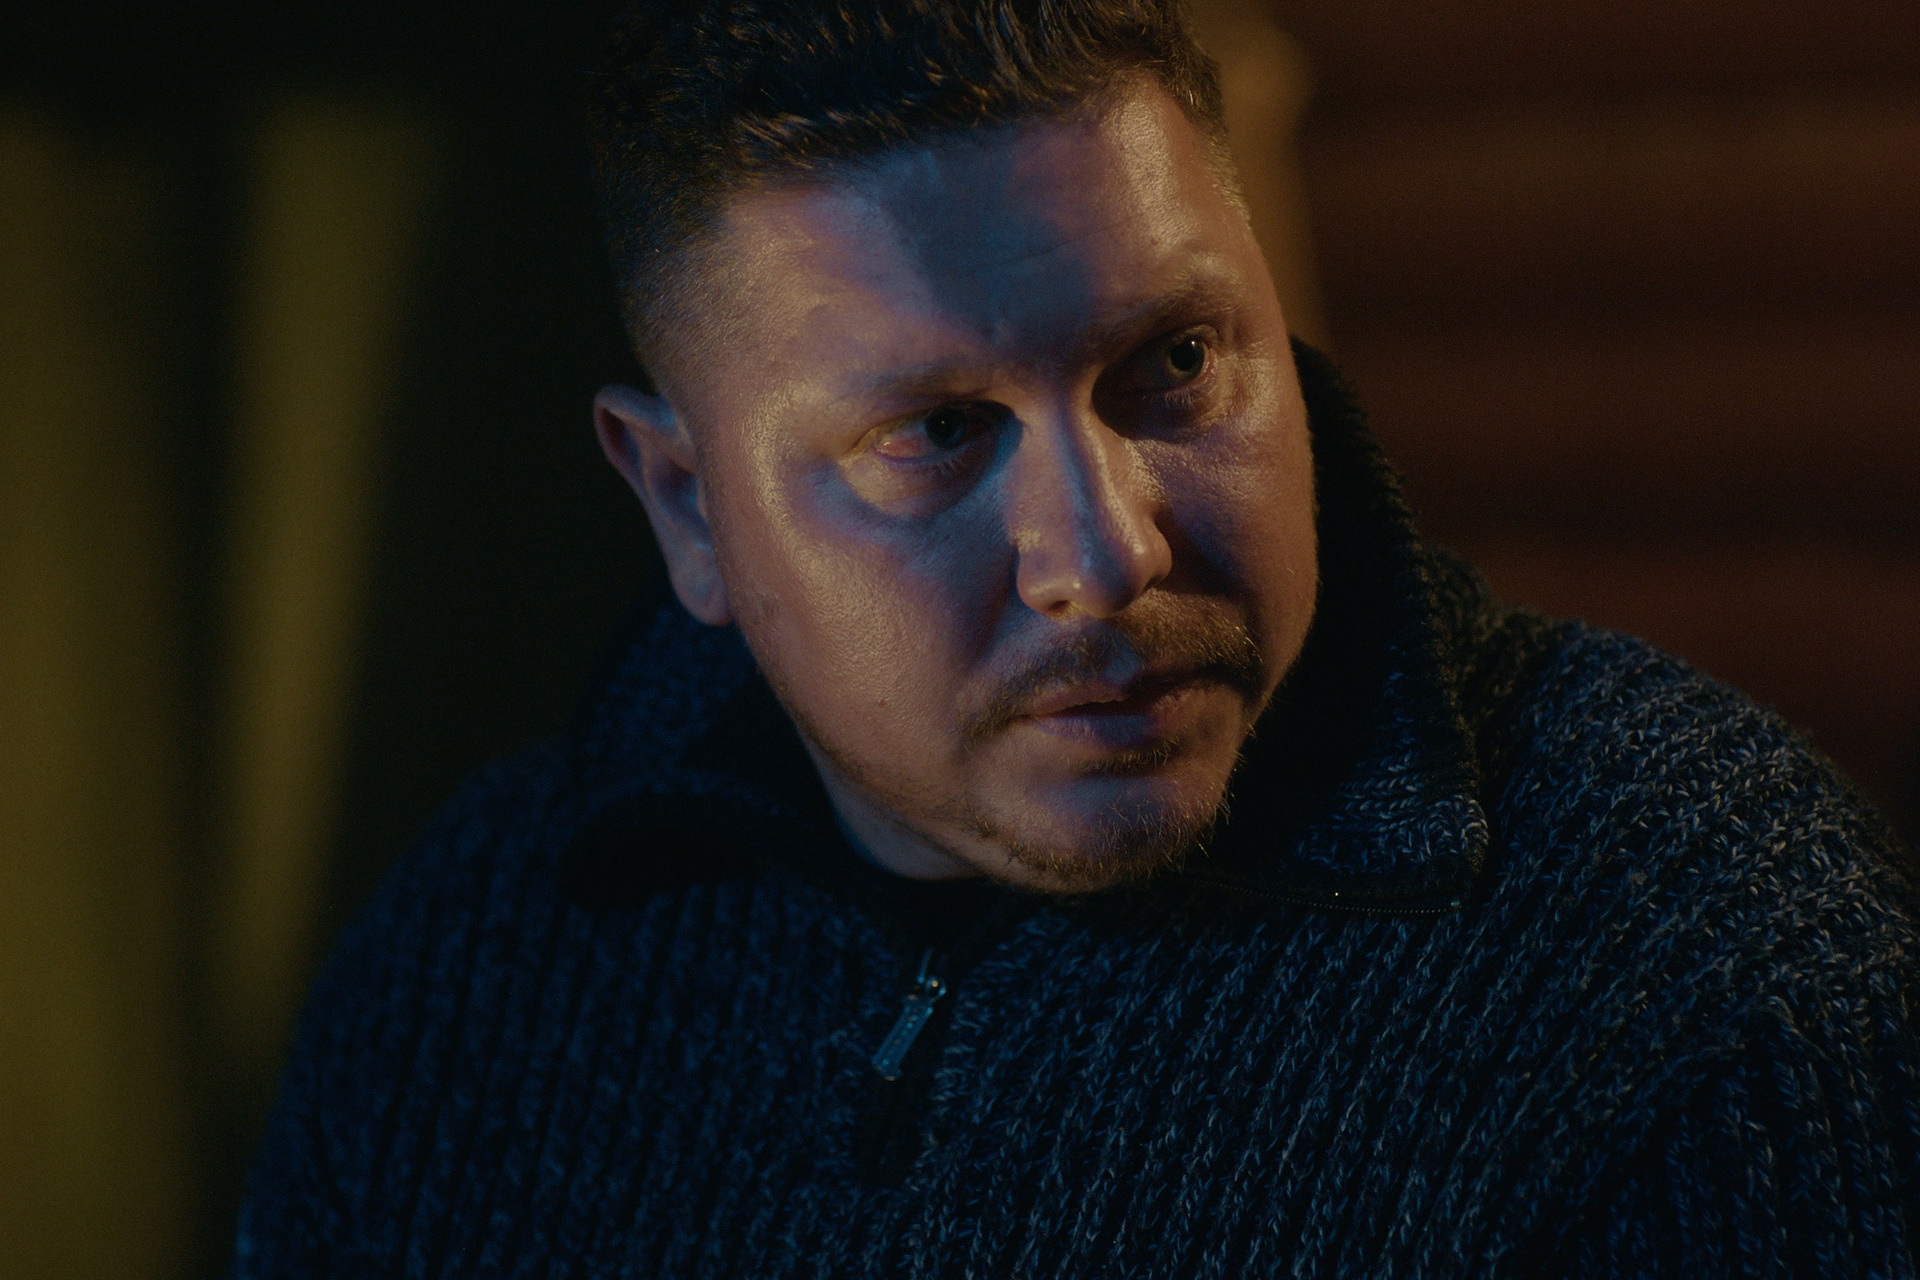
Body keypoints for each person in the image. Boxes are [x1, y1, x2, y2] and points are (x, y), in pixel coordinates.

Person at [235, 1, 1920, 1275]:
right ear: (685, 506)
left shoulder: (1697, 959)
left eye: (1175, 365)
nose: (1107, 553)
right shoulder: (465, 972)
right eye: (936, 435)